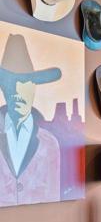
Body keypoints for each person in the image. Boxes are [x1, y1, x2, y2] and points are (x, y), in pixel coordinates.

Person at [0, 34, 62, 206]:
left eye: (25, 82)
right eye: (9, 82)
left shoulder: (50, 144)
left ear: (34, 87)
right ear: (2, 88)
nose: (17, 90)